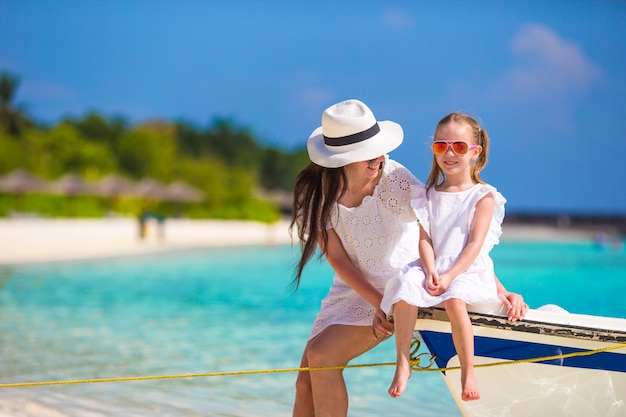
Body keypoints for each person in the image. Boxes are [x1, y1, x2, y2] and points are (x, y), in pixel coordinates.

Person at [290, 100, 526, 417]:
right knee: (304, 383)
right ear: (341, 161)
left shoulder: (393, 179)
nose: (379, 158)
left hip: (400, 287)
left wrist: (499, 289)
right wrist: (375, 301)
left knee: (321, 357)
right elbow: (336, 257)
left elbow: (444, 235)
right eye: (367, 154)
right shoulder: (315, 191)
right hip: (353, 288)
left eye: (378, 149)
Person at [380, 112, 506, 401]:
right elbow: (424, 239)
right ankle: (402, 361)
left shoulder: (483, 196)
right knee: (404, 289)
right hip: (433, 264)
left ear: (475, 152)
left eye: (459, 147)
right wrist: (430, 269)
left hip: (466, 266)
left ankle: (467, 370)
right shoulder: (428, 194)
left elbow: (475, 245)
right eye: (441, 146)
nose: (449, 153)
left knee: (454, 299)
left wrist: (449, 275)